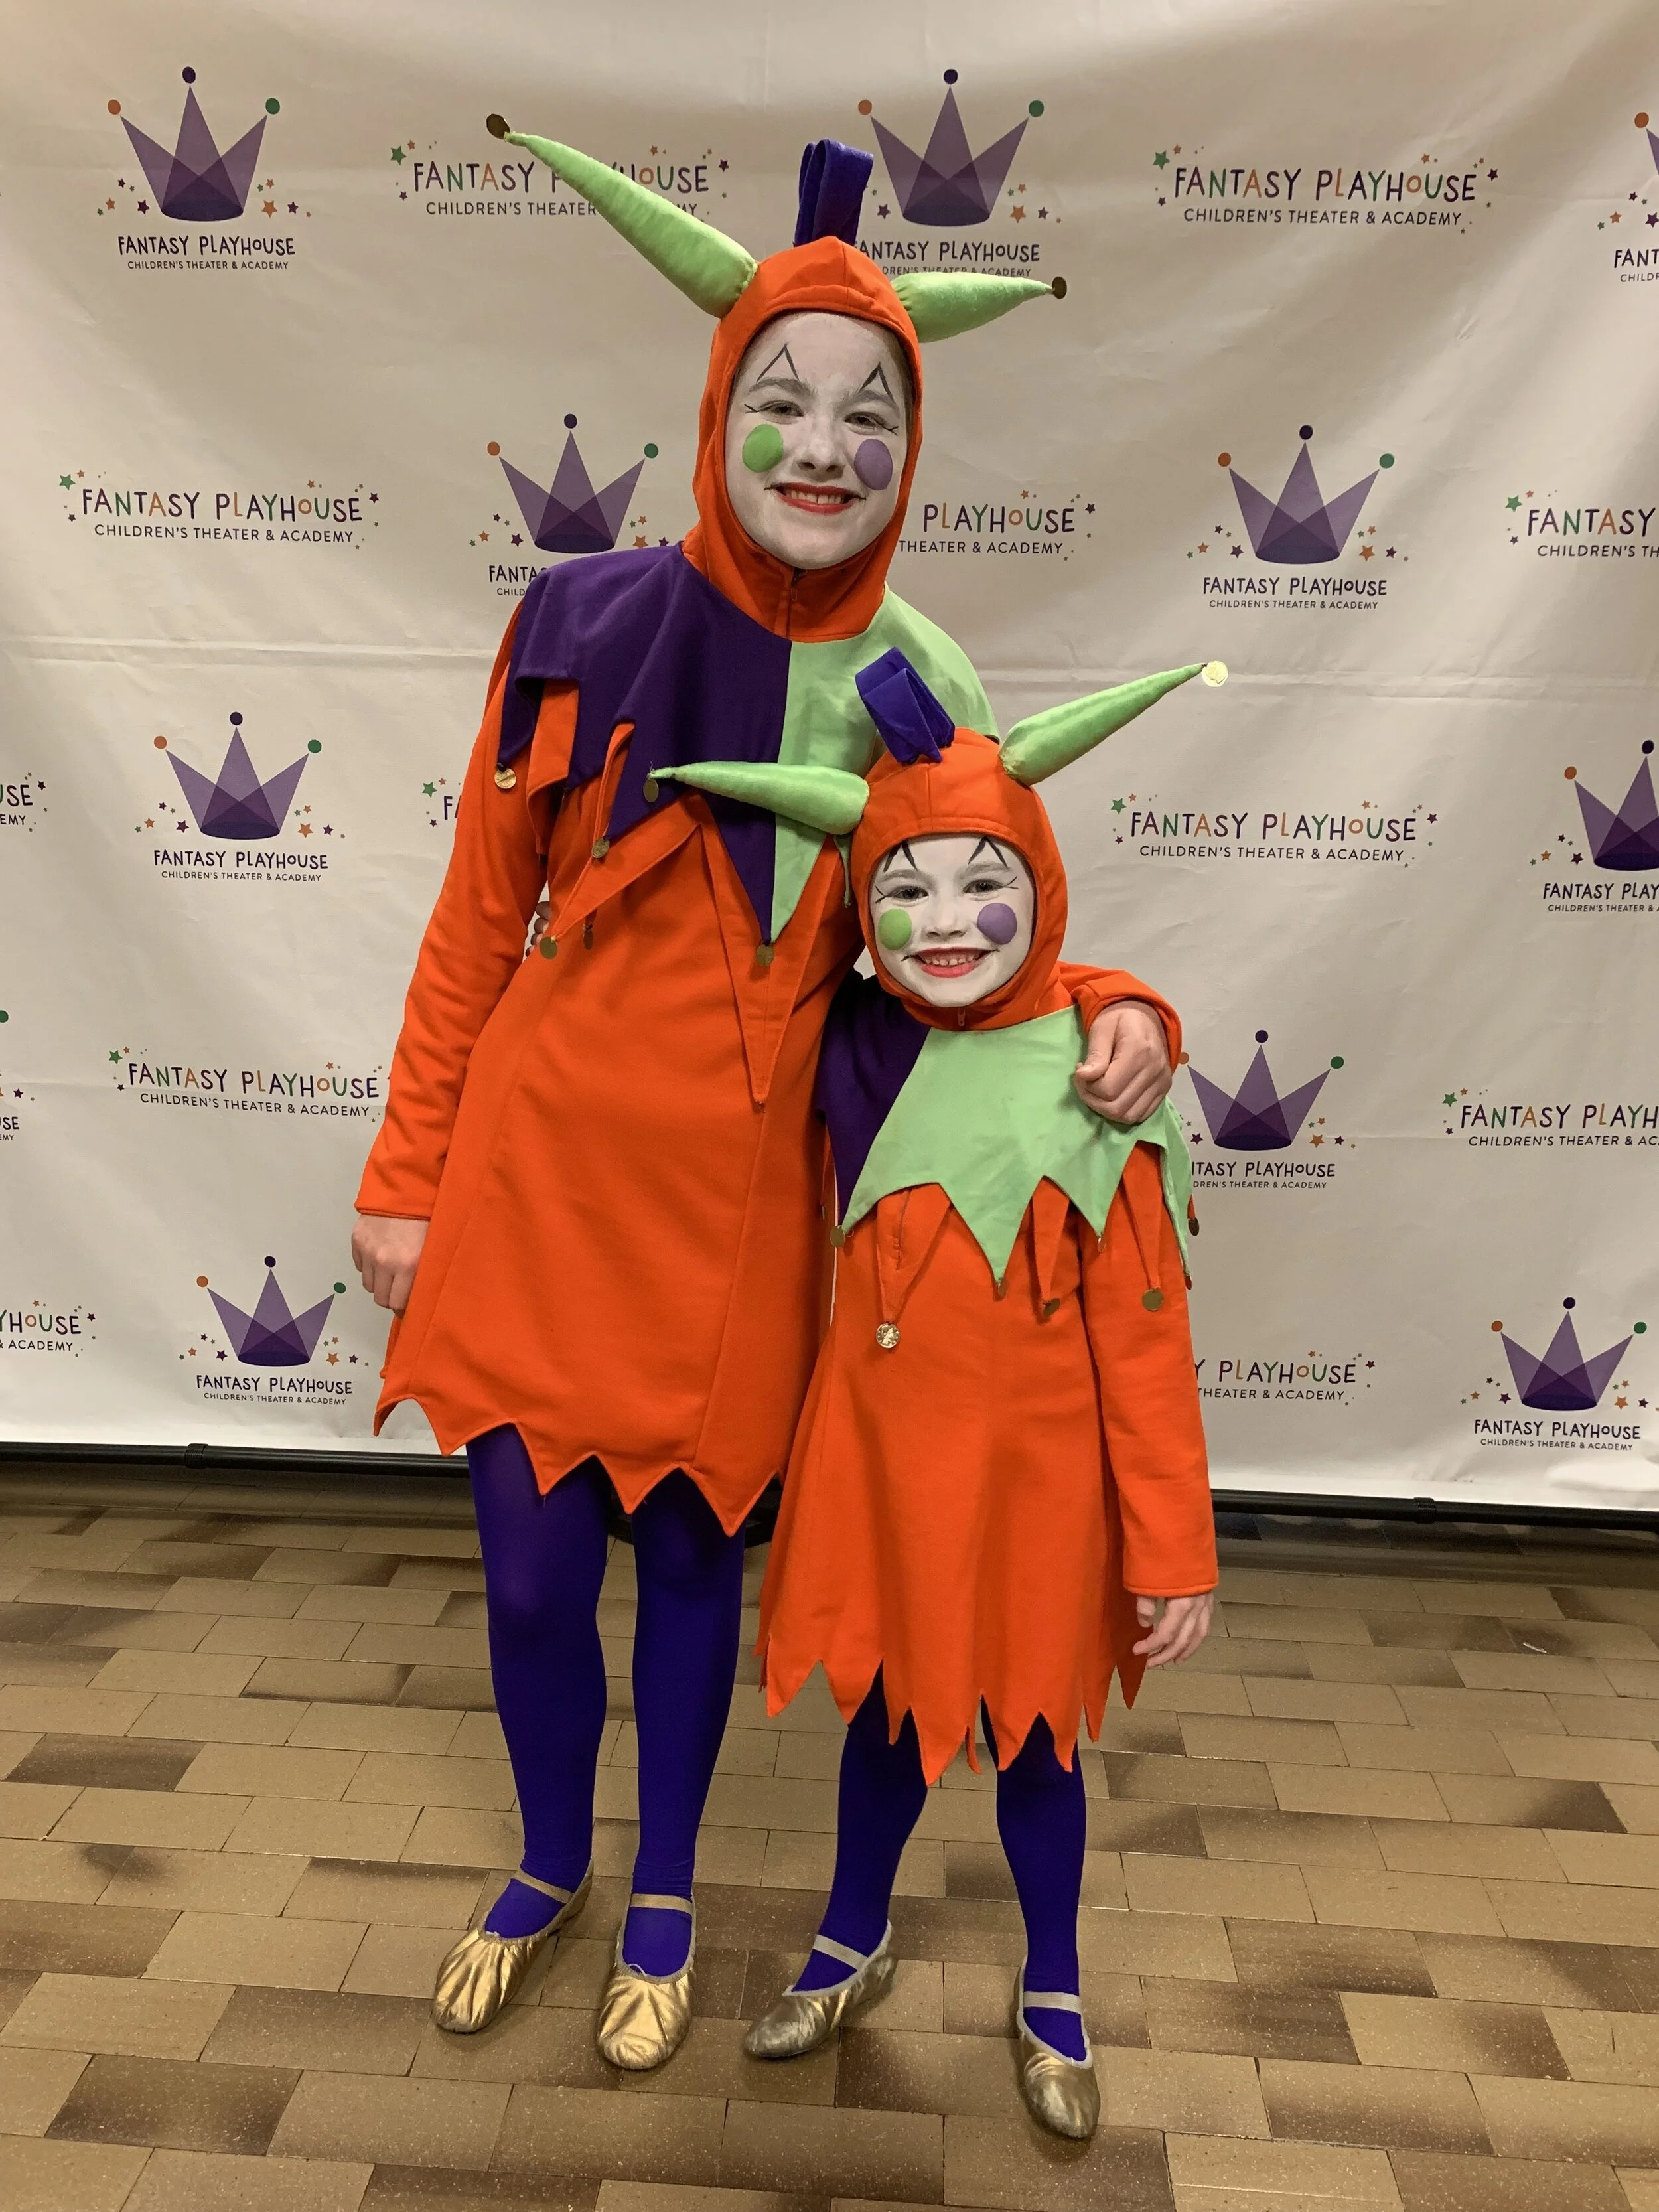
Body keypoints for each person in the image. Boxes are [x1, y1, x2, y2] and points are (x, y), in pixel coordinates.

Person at [349, 129, 1179, 2071]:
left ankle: (661, 1892)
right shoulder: (574, 622)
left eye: (867, 413)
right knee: (537, 1575)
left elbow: (996, 935)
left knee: (697, 1564)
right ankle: (551, 1860)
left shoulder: (921, 675)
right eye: (783, 401)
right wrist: (405, 1171)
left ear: (911, 443)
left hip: (736, 1222)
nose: (821, 446)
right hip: (535, 1189)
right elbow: (474, 926)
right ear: (719, 407)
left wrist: (1130, 1000)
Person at [691, 652, 1221, 2138]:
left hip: (1047, 1491)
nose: (940, 925)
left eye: (978, 883)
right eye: (901, 890)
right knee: (887, 1724)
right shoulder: (854, 1045)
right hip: (883, 1474)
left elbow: (1143, 1334)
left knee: (1040, 1743)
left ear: (1039, 883)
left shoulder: (1091, 1073)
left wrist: (1170, 1545)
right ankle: (847, 1939)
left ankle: (1051, 1981)